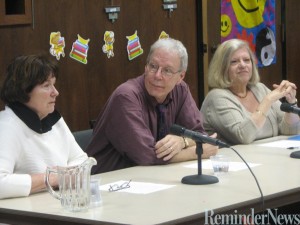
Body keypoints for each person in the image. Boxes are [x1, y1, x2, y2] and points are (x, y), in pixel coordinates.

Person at [86, 38, 218, 174]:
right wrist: (197, 152)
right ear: (145, 66)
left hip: (150, 178)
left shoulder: (181, 90)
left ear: (180, 77)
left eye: (167, 70)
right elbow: (146, 155)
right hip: (108, 182)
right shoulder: (126, 96)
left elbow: (200, 135)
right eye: (153, 66)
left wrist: (182, 141)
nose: (157, 76)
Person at [0, 55, 88, 199]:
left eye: (54, 84)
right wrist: (52, 179)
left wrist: (60, 176)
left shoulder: (52, 118)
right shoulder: (6, 126)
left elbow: (82, 161)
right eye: (46, 86)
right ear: (23, 90)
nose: (55, 92)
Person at [200, 39, 300, 145]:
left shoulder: (260, 88)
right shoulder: (216, 98)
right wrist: (267, 100)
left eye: (247, 60)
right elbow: (243, 136)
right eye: (234, 61)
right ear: (222, 68)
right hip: (234, 160)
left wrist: (291, 102)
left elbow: (291, 131)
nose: (243, 65)